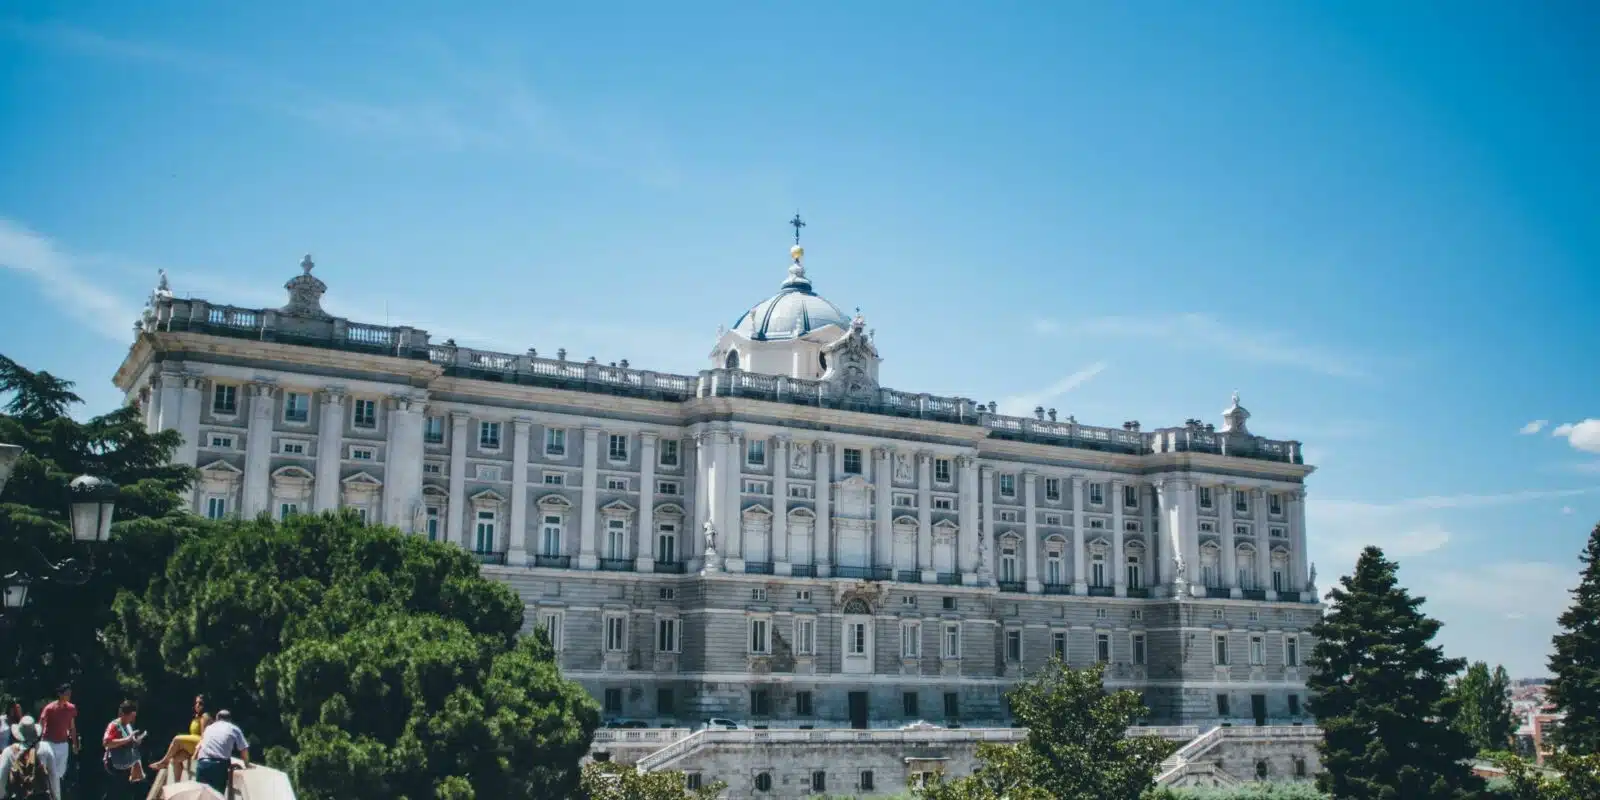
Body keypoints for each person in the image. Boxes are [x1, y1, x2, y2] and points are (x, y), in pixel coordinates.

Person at [146, 695, 210, 781]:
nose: (197, 705)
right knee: (175, 760)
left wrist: (196, 752)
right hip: (192, 745)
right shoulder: (196, 717)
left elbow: (204, 737)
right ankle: (177, 783)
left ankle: (164, 761)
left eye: (200, 703)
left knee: (177, 739)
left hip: (200, 746)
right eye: (196, 703)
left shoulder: (205, 716)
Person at [192, 710, 247, 795]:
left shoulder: (209, 728)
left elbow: (200, 745)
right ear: (229, 719)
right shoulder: (234, 728)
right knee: (216, 796)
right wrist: (246, 765)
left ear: (217, 718)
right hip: (219, 767)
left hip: (202, 764)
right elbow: (243, 750)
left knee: (201, 795)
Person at [0, 716, 56, 799]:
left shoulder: (8, 751)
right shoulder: (45, 748)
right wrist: (56, 796)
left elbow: (1, 778)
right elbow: (53, 775)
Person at [36, 686, 76, 800]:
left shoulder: (71, 708)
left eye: (70, 693)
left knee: (59, 773)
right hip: (49, 743)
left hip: (63, 744)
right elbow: (41, 724)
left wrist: (74, 743)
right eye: (67, 693)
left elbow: (72, 727)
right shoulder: (49, 708)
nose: (69, 696)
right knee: (50, 772)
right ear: (60, 694)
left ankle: (52, 794)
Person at [100, 701, 146, 799]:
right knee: (116, 792)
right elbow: (106, 743)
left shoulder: (128, 725)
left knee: (122, 792)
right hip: (114, 762)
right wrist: (127, 739)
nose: (133, 718)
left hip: (126, 761)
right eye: (132, 716)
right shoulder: (114, 725)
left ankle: (137, 778)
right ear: (125, 714)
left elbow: (130, 742)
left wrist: (136, 741)